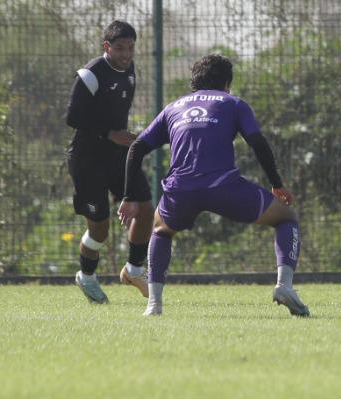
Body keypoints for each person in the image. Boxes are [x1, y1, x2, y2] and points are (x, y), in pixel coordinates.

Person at [118, 54, 308, 318]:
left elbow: (137, 147)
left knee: (161, 231)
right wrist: (277, 184)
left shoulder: (173, 107)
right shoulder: (234, 103)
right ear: (227, 82)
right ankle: (284, 286)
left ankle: (154, 305)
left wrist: (129, 196)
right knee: (286, 218)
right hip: (223, 186)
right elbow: (258, 143)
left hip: (180, 190)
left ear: (194, 82)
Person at [65, 20, 153, 304]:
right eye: (119, 48)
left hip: (117, 156)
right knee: (99, 229)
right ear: (106, 47)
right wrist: (110, 134)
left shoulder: (129, 72)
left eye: (130, 48)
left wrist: (125, 139)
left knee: (146, 208)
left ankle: (134, 270)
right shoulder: (90, 75)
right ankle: (87, 276)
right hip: (87, 161)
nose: (126, 54)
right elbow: (73, 118)